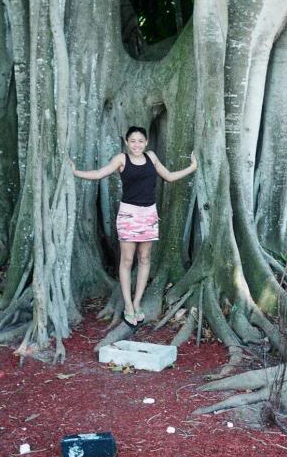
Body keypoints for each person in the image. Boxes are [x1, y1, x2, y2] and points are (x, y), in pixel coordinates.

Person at [71, 126, 197, 327]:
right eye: (132, 141)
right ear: (127, 143)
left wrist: (192, 167)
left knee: (145, 258)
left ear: (146, 142)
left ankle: (137, 301)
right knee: (128, 260)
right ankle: (128, 305)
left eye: (140, 140)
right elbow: (98, 173)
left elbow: (170, 177)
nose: (136, 144)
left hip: (149, 214)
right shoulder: (121, 159)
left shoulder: (152, 157)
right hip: (129, 214)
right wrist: (75, 171)